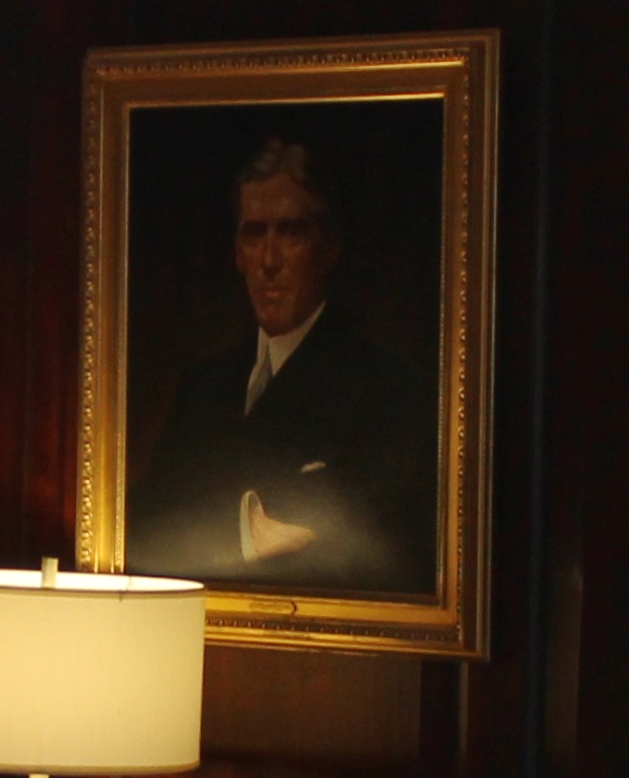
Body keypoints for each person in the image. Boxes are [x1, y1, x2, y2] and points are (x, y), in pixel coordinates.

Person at [128, 134, 432, 593]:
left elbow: (377, 553)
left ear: (327, 249)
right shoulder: (203, 386)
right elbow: (144, 533)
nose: (269, 260)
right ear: (237, 253)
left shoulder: (384, 389)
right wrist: (253, 525)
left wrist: (204, 522)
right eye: (255, 233)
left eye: (290, 233)